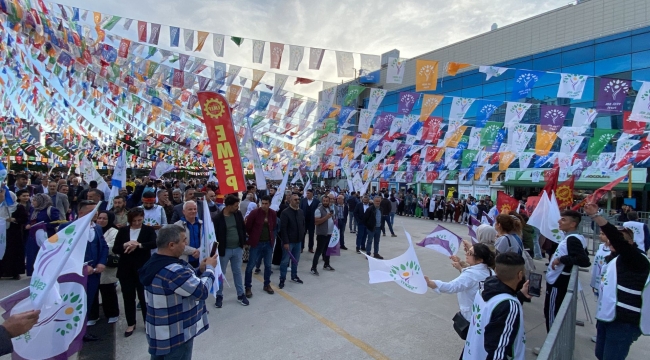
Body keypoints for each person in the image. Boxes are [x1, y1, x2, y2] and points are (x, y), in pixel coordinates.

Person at [139, 225, 217, 360]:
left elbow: (183, 283)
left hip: (159, 333)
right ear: (171, 245)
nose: (186, 244)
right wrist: (210, 269)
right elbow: (201, 291)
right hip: (176, 335)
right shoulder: (173, 271)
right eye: (183, 240)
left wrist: (200, 270)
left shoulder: (154, 262)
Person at [584, 203, 650, 360]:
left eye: (621, 240)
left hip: (624, 322)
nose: (613, 242)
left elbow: (616, 239)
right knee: (600, 354)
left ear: (631, 243)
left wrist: (596, 216)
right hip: (607, 317)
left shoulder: (637, 260)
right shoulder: (613, 258)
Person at [462, 252, 531, 360]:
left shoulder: (484, 288)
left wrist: (520, 296)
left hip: (471, 354)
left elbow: (493, 309)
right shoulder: (509, 305)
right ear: (520, 275)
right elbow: (497, 352)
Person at [60, 200, 109, 342]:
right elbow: (63, 252)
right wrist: (80, 266)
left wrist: (101, 262)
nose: (95, 215)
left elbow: (104, 247)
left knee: (86, 303)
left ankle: (82, 331)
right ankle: (67, 334)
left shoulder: (98, 228)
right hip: (75, 275)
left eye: (96, 211)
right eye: (91, 212)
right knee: (72, 304)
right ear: (80, 213)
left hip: (93, 274)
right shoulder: (67, 227)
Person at [424, 244, 495, 340]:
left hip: (471, 316)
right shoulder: (490, 271)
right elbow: (470, 280)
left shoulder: (470, 274)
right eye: (467, 251)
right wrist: (460, 267)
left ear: (480, 259)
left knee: (473, 343)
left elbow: (451, 287)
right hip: (484, 314)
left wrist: (431, 283)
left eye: (470, 253)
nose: (467, 254)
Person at [543, 210, 591, 332]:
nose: (559, 221)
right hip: (558, 280)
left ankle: (552, 347)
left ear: (573, 224)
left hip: (558, 282)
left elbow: (584, 260)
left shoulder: (572, 239)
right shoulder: (572, 237)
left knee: (552, 314)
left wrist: (561, 259)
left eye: (563, 219)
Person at [113, 207, 157, 337]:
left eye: (139, 220)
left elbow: (154, 243)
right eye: (134, 221)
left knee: (144, 298)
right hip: (126, 269)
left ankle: (147, 322)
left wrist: (138, 245)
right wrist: (126, 245)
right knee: (128, 297)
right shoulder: (123, 231)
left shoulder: (148, 230)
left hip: (143, 268)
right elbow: (116, 249)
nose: (137, 223)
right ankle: (131, 323)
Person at [213, 195, 248, 308]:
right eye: (235, 206)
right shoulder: (218, 218)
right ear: (228, 206)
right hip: (224, 250)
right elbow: (215, 235)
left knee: (237, 271)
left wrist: (243, 242)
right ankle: (219, 296)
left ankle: (240, 294)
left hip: (237, 249)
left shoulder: (237, 214)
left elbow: (242, 228)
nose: (237, 207)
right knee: (221, 273)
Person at [88, 211, 120, 326]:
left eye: (104, 219)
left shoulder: (114, 231)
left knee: (108, 292)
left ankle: (112, 314)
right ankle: (92, 315)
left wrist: (96, 249)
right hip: (91, 266)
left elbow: (111, 246)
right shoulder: (93, 229)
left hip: (106, 267)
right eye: (99, 218)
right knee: (92, 292)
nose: (101, 220)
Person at [244, 195, 277, 296]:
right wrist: (251, 238)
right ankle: (248, 287)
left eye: (266, 203)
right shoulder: (255, 213)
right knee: (250, 266)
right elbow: (248, 226)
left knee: (268, 265)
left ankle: (267, 284)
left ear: (270, 204)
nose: (264, 205)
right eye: (262, 203)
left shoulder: (273, 213)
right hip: (256, 243)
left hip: (268, 243)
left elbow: (274, 226)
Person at [24, 194, 61, 276]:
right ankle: (34, 272)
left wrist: (43, 226)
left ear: (41, 201)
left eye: (35, 200)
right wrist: (27, 225)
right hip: (33, 236)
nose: (33, 202)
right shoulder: (33, 210)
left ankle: (46, 273)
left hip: (47, 236)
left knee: (45, 255)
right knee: (33, 254)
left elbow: (57, 222)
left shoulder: (51, 210)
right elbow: (30, 220)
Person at [278, 193, 305, 289]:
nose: (297, 201)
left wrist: (302, 237)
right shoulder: (285, 212)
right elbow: (283, 228)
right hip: (289, 242)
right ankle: (282, 279)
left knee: (296, 260)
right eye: (295, 199)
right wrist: (285, 242)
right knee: (285, 261)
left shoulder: (301, 212)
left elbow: (302, 225)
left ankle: (294, 276)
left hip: (298, 241)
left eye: (298, 199)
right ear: (290, 201)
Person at [0, 189, 27, 279]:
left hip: (14, 234)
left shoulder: (18, 207)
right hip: (3, 233)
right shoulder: (2, 207)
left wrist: (14, 219)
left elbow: (23, 219)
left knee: (14, 253)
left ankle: (15, 272)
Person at [311, 195, 336, 276]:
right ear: (322, 201)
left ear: (329, 201)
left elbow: (332, 219)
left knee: (327, 251)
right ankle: (313, 268)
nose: (325, 202)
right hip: (322, 234)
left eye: (327, 201)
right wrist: (326, 217)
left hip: (330, 234)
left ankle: (326, 264)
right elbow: (316, 222)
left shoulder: (330, 209)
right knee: (319, 251)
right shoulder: (318, 210)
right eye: (324, 201)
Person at [173, 201, 202, 267]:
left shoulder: (202, 224)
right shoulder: (177, 226)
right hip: (185, 260)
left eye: (195, 209)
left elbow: (207, 241)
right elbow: (177, 245)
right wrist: (194, 251)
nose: (193, 211)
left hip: (200, 260)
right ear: (184, 211)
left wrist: (199, 251)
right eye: (190, 209)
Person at [300, 189, 320, 253]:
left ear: (312, 193)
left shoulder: (316, 201)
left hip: (312, 221)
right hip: (304, 221)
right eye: (307, 193)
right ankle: (301, 247)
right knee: (303, 234)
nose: (307, 194)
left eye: (308, 193)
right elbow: (300, 209)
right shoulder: (303, 200)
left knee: (311, 235)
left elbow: (318, 210)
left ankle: (310, 247)